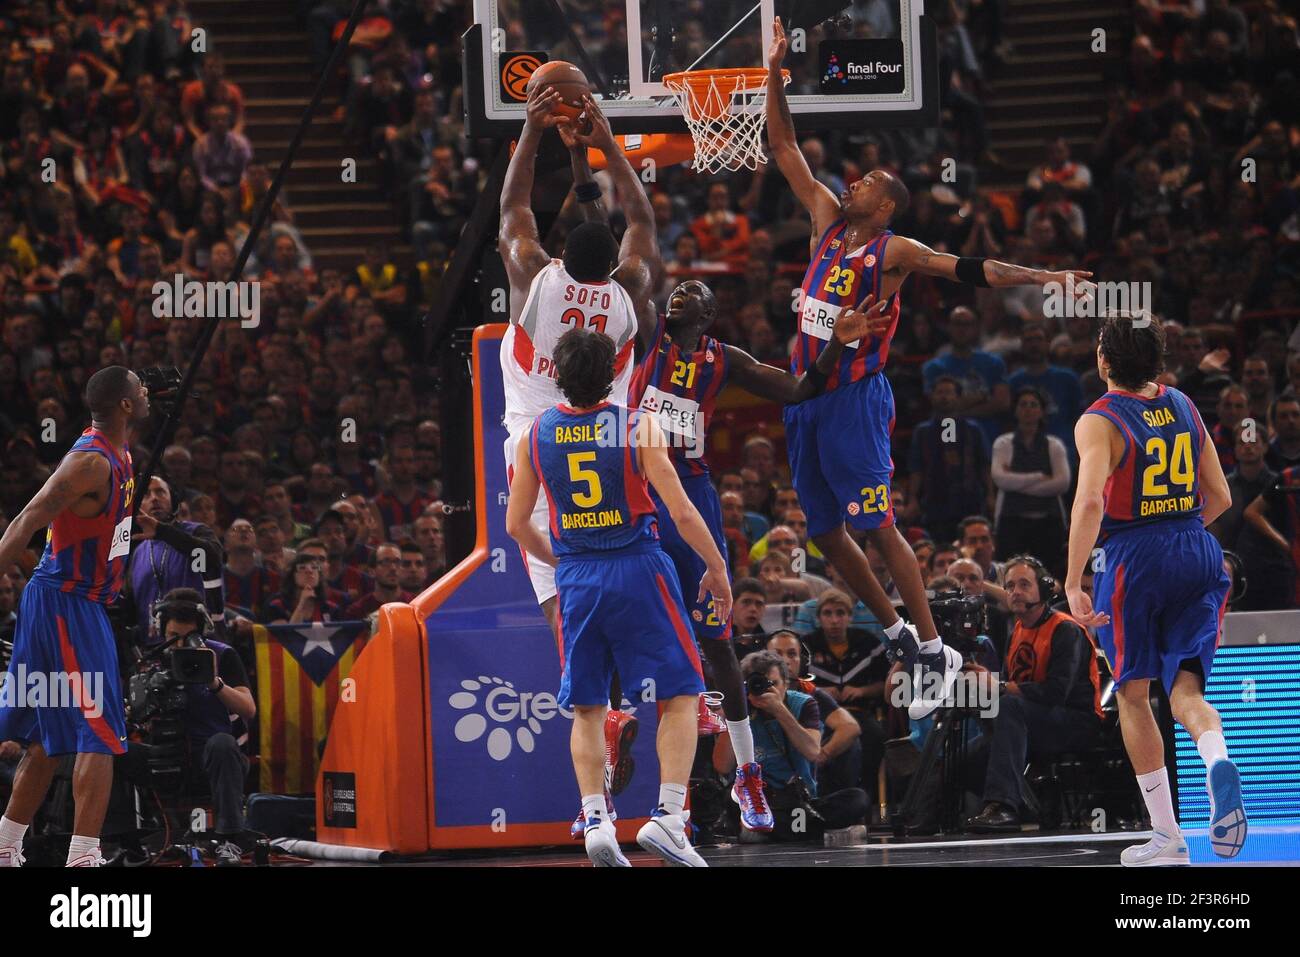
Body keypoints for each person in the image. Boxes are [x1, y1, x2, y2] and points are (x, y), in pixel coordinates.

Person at [765, 16, 1091, 719]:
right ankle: (901, 632)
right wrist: (774, 73)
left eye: (869, 181)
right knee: (824, 531)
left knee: (879, 525)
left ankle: (937, 646)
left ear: (883, 206)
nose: (853, 181)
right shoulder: (824, 219)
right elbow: (783, 144)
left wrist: (1045, 276)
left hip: (854, 396)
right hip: (806, 394)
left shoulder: (894, 248)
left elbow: (972, 269)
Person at [626, 278, 871, 833]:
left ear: (712, 312)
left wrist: (838, 340)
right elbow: (632, 257)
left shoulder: (723, 359)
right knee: (640, 620)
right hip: (637, 482)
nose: (682, 291)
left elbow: (799, 388)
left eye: (696, 289)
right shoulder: (649, 333)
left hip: (690, 489)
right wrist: (593, 187)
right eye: (678, 287)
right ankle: (632, 757)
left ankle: (748, 771)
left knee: (716, 636)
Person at [506, 328, 731, 867]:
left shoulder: (534, 434)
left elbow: (516, 525)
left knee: (588, 707)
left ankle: (596, 823)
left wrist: (564, 561)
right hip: (639, 567)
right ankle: (670, 819)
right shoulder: (637, 425)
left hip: (580, 577)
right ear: (613, 374)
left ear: (555, 374)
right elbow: (680, 510)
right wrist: (717, 567)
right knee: (680, 693)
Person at [496, 87, 657, 793]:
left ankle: (599, 704)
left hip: (540, 445)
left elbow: (513, 213)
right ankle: (657, 695)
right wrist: (605, 141)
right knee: (613, 574)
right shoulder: (631, 292)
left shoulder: (535, 277)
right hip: (614, 446)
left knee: (561, 585)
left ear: (560, 255)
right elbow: (642, 219)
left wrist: (532, 131)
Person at [1066, 315, 1244, 865]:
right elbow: (1221, 496)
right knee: (1186, 692)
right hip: (1197, 545)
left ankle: (1168, 835)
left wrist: (1074, 581)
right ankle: (1215, 758)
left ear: (1104, 361)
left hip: (1133, 558)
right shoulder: (1186, 404)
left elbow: (1091, 500)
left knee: (1133, 694)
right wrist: (1181, 532)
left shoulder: (1098, 420)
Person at [0, 367, 149, 867]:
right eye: (139, 389)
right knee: (101, 732)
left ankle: (5, 846)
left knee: (48, 735)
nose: (147, 392)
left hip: (70, 601)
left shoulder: (120, 455)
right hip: (67, 602)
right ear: (124, 405)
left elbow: (97, 524)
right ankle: (84, 856)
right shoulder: (89, 462)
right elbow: (24, 520)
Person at [966, 558, 1102, 831]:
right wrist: (987, 680)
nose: (1015, 591)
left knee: (1009, 707)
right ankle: (1028, 805)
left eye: (1024, 584)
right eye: (1010, 586)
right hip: (1032, 716)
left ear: (1045, 589)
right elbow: (1012, 684)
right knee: (967, 756)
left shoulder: (1066, 629)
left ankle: (1004, 807)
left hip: (1078, 720)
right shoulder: (1017, 629)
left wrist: (1000, 687)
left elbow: (1056, 692)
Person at [151, 588, 256, 866]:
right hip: (165, 754)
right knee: (112, 751)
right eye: (173, 636)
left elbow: (248, 708)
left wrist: (215, 683)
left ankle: (230, 839)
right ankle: (120, 839)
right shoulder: (150, 658)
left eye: (188, 638)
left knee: (222, 743)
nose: (180, 645)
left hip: (214, 756)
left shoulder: (222, 655)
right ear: (161, 629)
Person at [991, 387, 1072, 567]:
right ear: (1016, 410)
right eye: (1023, 404)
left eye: (1033, 405)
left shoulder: (1054, 445)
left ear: (1042, 411)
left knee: (1051, 572)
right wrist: (1039, 476)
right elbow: (1000, 479)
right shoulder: (1003, 443)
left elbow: (1062, 484)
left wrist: (1015, 480)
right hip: (1011, 521)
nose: (1028, 409)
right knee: (1007, 571)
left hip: (1049, 523)